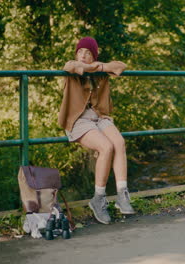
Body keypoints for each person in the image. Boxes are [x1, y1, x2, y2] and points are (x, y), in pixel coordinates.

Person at [58, 36, 135, 225]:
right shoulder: (71, 65)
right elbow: (74, 67)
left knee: (119, 142)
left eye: (88, 53)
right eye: (80, 52)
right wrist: (100, 66)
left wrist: (100, 67)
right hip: (78, 120)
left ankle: (122, 195)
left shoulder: (100, 71)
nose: (83, 56)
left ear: (94, 55)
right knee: (106, 147)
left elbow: (120, 66)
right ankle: (98, 198)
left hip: (100, 116)